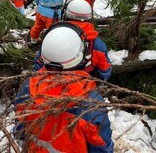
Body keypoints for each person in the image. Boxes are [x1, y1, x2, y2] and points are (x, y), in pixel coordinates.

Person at [14, 25, 114, 153]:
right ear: (81, 57)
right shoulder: (91, 103)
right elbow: (101, 147)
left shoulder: (29, 87)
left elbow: (20, 128)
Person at [34, 0, 112, 81]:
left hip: (49, 82)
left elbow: (38, 65)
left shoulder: (53, 36)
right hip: (83, 85)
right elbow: (104, 72)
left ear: (65, 15)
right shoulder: (96, 43)